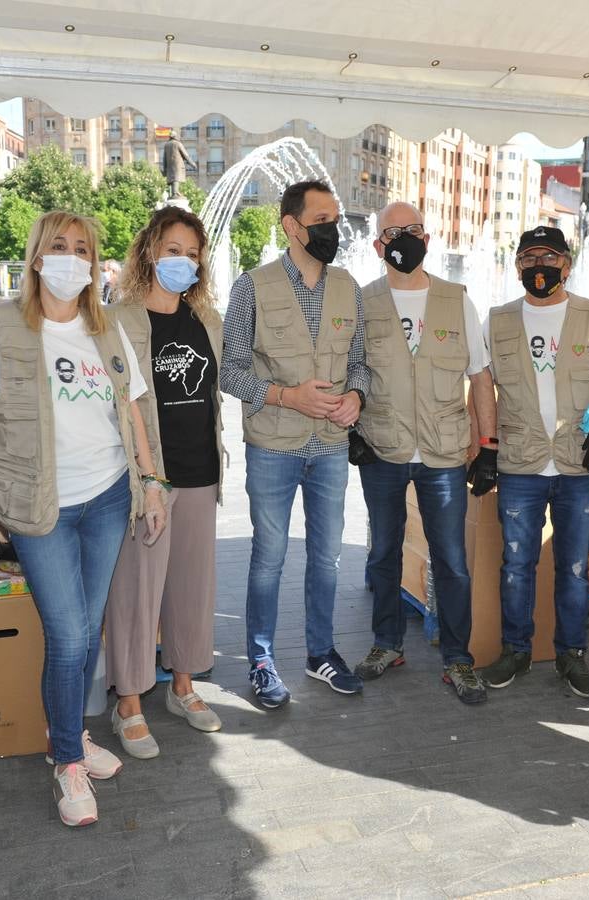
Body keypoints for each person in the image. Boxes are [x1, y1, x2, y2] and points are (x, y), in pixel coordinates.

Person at [0, 211, 167, 826]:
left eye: (83, 249)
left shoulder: (107, 329)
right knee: (70, 636)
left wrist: (150, 484)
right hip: (40, 508)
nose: (72, 258)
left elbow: (131, 408)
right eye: (59, 247)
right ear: (38, 257)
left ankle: (64, 736)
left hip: (107, 497)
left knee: (83, 631)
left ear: (95, 263)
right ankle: (68, 760)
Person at [220, 179, 370, 708]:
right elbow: (229, 371)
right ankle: (261, 660)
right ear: (291, 226)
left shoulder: (349, 287)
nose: (333, 229)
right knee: (269, 558)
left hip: (330, 445)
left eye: (336, 218)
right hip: (273, 446)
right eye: (322, 220)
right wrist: (287, 396)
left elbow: (360, 364)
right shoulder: (252, 286)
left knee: (326, 558)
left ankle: (321, 653)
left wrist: (356, 396)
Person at [479, 226, 589, 698]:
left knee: (574, 568)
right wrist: (487, 445)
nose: (538, 267)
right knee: (515, 565)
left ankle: (572, 655)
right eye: (529, 258)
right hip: (520, 463)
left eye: (548, 258)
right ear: (516, 267)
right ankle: (516, 650)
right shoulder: (498, 319)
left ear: (566, 265)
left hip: (578, 465)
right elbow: (482, 381)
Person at [348, 201, 495, 704]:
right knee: (384, 553)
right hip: (383, 448)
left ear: (427, 239)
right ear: (377, 245)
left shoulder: (458, 301)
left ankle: (458, 659)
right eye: (394, 231)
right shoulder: (362, 302)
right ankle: (386, 644)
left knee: (451, 559)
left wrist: (488, 445)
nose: (404, 239)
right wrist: (350, 429)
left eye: (413, 230)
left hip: (444, 451)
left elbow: (480, 378)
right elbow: (350, 370)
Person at [104, 206, 224, 758]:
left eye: (192, 253)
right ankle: (128, 702)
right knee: (137, 592)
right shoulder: (119, 320)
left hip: (201, 472)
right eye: (173, 250)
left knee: (191, 589)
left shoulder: (207, 320)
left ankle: (182, 687)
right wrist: (148, 476)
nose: (183, 261)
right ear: (150, 251)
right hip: (148, 479)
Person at [161, 133, 196, 199]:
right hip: (177, 165)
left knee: (172, 179)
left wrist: (164, 168)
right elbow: (186, 155)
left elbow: (164, 158)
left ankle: (174, 193)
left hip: (169, 166)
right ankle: (175, 193)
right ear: (175, 136)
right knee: (176, 178)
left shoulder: (166, 145)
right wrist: (193, 164)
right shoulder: (178, 144)